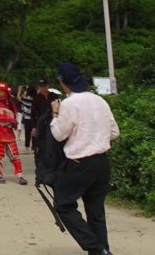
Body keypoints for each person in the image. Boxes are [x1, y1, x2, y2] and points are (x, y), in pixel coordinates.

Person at [51, 62, 120, 255]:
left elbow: (58, 134)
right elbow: (114, 132)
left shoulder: (69, 104)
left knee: (63, 205)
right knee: (96, 210)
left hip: (80, 162)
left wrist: (55, 114)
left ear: (62, 82)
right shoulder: (99, 101)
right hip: (102, 161)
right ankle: (102, 250)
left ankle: (95, 247)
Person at [0, 83, 27, 185]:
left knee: (15, 154)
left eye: (3, 91)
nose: (1, 94)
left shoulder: (10, 102)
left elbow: (14, 116)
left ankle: (19, 174)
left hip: (8, 132)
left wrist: (13, 122)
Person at [29, 79, 52, 150]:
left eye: (44, 86)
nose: (42, 88)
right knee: (40, 144)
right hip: (40, 123)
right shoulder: (36, 98)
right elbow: (32, 114)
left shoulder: (53, 96)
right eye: (40, 86)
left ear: (47, 86)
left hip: (52, 122)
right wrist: (33, 127)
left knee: (51, 144)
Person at [20, 85, 35, 151]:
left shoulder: (25, 98)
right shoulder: (36, 98)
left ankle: (27, 147)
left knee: (27, 133)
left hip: (27, 117)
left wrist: (20, 90)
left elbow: (18, 97)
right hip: (34, 117)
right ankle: (34, 146)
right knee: (34, 132)